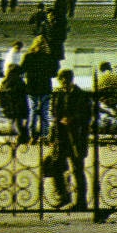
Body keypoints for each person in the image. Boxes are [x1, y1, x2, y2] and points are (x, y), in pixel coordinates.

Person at [48, 69, 93, 210]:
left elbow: (87, 116)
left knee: (77, 169)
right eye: (61, 80)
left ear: (71, 80)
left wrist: (72, 119)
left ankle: (81, 202)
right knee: (55, 166)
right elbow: (54, 117)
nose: (64, 83)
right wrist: (51, 137)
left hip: (76, 137)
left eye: (66, 80)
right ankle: (63, 196)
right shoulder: (58, 94)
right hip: (61, 137)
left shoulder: (81, 95)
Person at [22, 35, 57, 138]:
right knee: (44, 113)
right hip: (45, 87)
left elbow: (22, 69)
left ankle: (32, 134)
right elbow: (54, 73)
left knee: (33, 111)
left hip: (32, 87)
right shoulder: (49, 57)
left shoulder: (28, 56)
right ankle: (44, 134)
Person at [0, 62, 30, 144]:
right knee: (20, 119)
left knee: (18, 120)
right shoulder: (19, 82)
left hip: (10, 108)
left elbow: (1, 96)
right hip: (17, 108)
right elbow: (25, 92)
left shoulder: (4, 82)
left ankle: (22, 135)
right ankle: (23, 135)